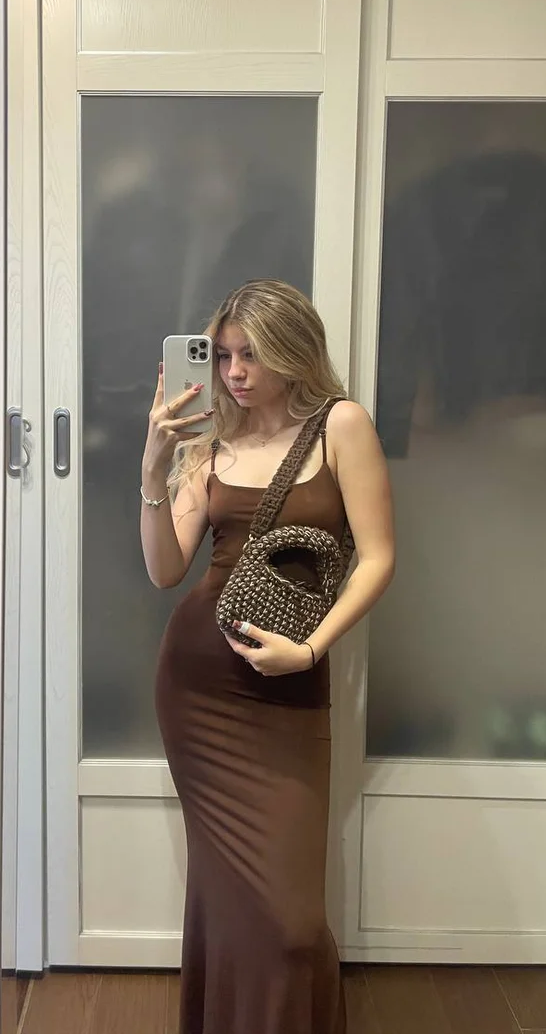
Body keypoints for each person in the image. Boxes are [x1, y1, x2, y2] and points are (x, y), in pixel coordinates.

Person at [139, 280, 395, 1034]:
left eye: (251, 354)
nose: (234, 372)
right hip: (199, 692)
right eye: (223, 356)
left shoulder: (340, 425)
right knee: (229, 897)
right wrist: (153, 470)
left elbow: (378, 557)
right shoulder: (210, 443)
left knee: (290, 921)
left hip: (289, 684)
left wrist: (311, 647)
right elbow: (164, 569)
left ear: (294, 349)